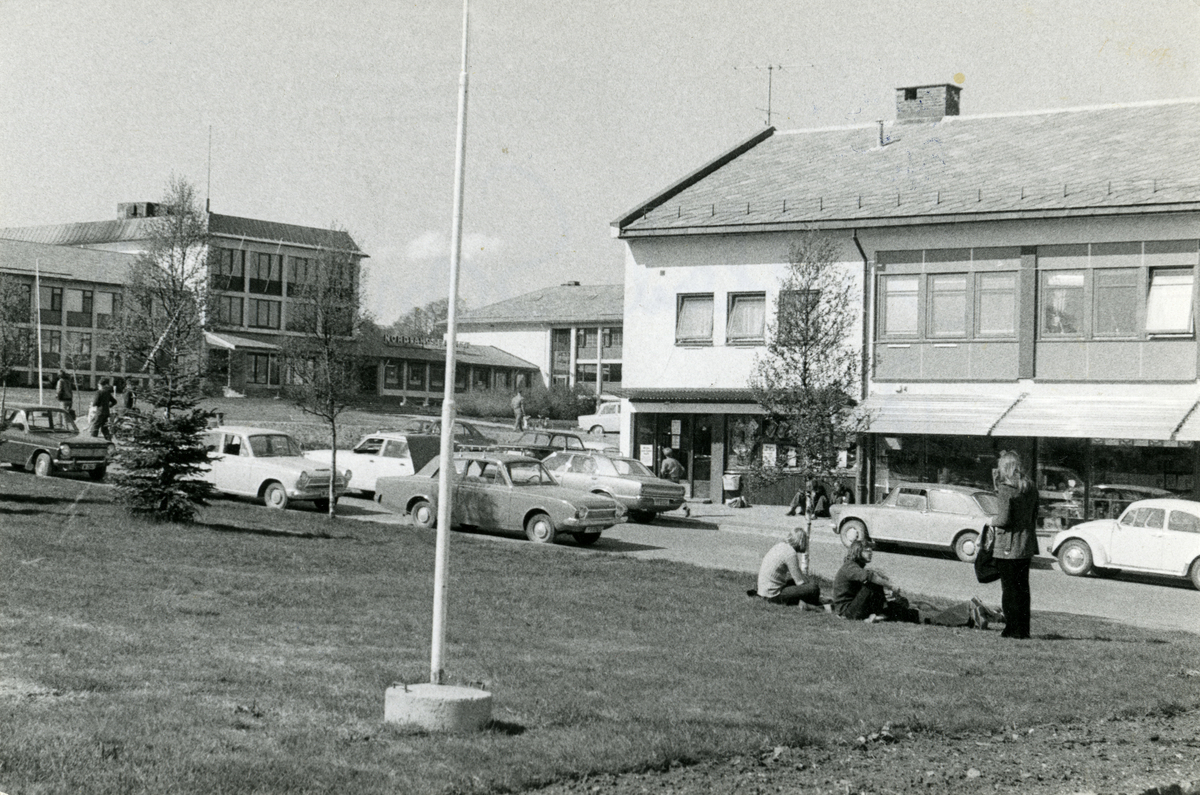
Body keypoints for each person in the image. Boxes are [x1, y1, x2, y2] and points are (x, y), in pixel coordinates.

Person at [991, 450, 1040, 639]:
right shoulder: (1031, 488)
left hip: (1008, 546)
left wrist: (990, 521)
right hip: (1026, 544)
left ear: (1005, 469)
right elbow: (1034, 515)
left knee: (1009, 590)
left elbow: (1003, 519)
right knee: (1022, 590)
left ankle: (1011, 628)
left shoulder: (1005, 489)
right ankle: (1023, 629)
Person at [756, 527, 823, 608]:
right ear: (801, 541)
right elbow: (799, 582)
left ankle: (806, 602)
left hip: (763, 591)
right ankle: (812, 604)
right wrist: (809, 586)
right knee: (814, 589)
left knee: (796, 583)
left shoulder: (781, 545)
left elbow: (798, 577)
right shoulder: (790, 554)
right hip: (772, 596)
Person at [832, 539, 895, 622]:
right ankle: (879, 614)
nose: (870, 553)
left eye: (871, 551)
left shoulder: (855, 566)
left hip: (853, 607)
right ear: (857, 551)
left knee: (895, 605)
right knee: (873, 582)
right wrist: (891, 586)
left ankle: (880, 613)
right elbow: (870, 577)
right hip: (846, 612)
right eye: (867, 550)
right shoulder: (850, 567)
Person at [659, 447, 690, 517]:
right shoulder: (675, 461)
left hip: (668, 479)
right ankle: (685, 507)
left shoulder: (665, 461)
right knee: (678, 495)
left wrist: (663, 475)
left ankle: (661, 509)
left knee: (664, 494)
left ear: (664, 454)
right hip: (676, 479)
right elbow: (683, 469)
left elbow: (663, 471)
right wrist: (679, 475)